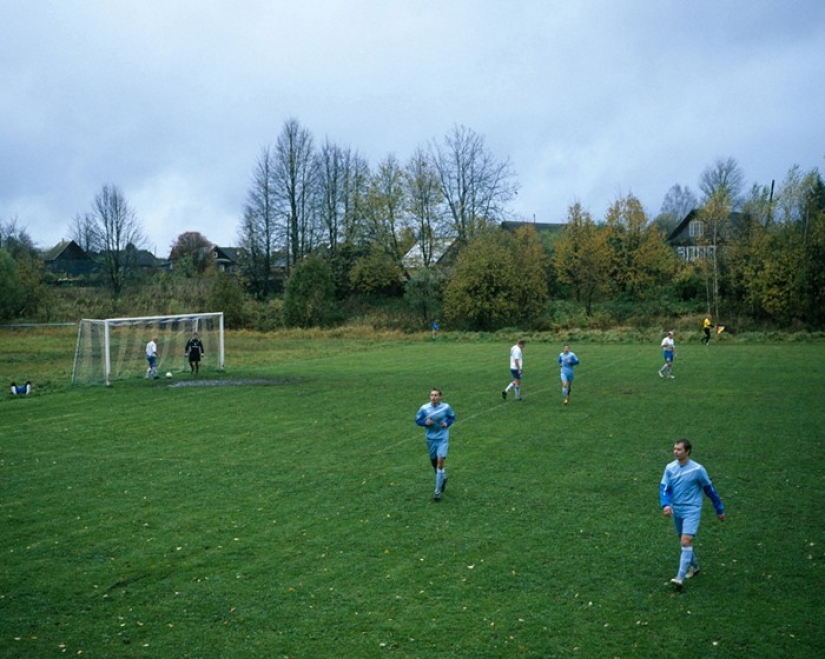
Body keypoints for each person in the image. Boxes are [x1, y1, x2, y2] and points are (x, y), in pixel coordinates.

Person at [660, 438, 725, 589]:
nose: (675, 452)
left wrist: (719, 509)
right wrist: (666, 505)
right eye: (674, 449)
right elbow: (665, 488)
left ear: (687, 451)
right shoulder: (670, 468)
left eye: (679, 449)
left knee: (686, 540)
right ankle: (695, 567)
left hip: (692, 509)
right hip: (677, 509)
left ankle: (679, 578)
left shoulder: (697, 470)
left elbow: (710, 490)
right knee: (683, 540)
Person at [414, 387, 456, 501]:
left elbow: (452, 417)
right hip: (431, 439)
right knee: (434, 464)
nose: (433, 397)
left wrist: (447, 423)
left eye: (436, 395)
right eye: (432, 395)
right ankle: (443, 478)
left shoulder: (446, 407)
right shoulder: (424, 408)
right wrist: (425, 422)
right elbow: (417, 420)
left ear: (440, 397)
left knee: (440, 464)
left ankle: (437, 492)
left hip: (442, 438)